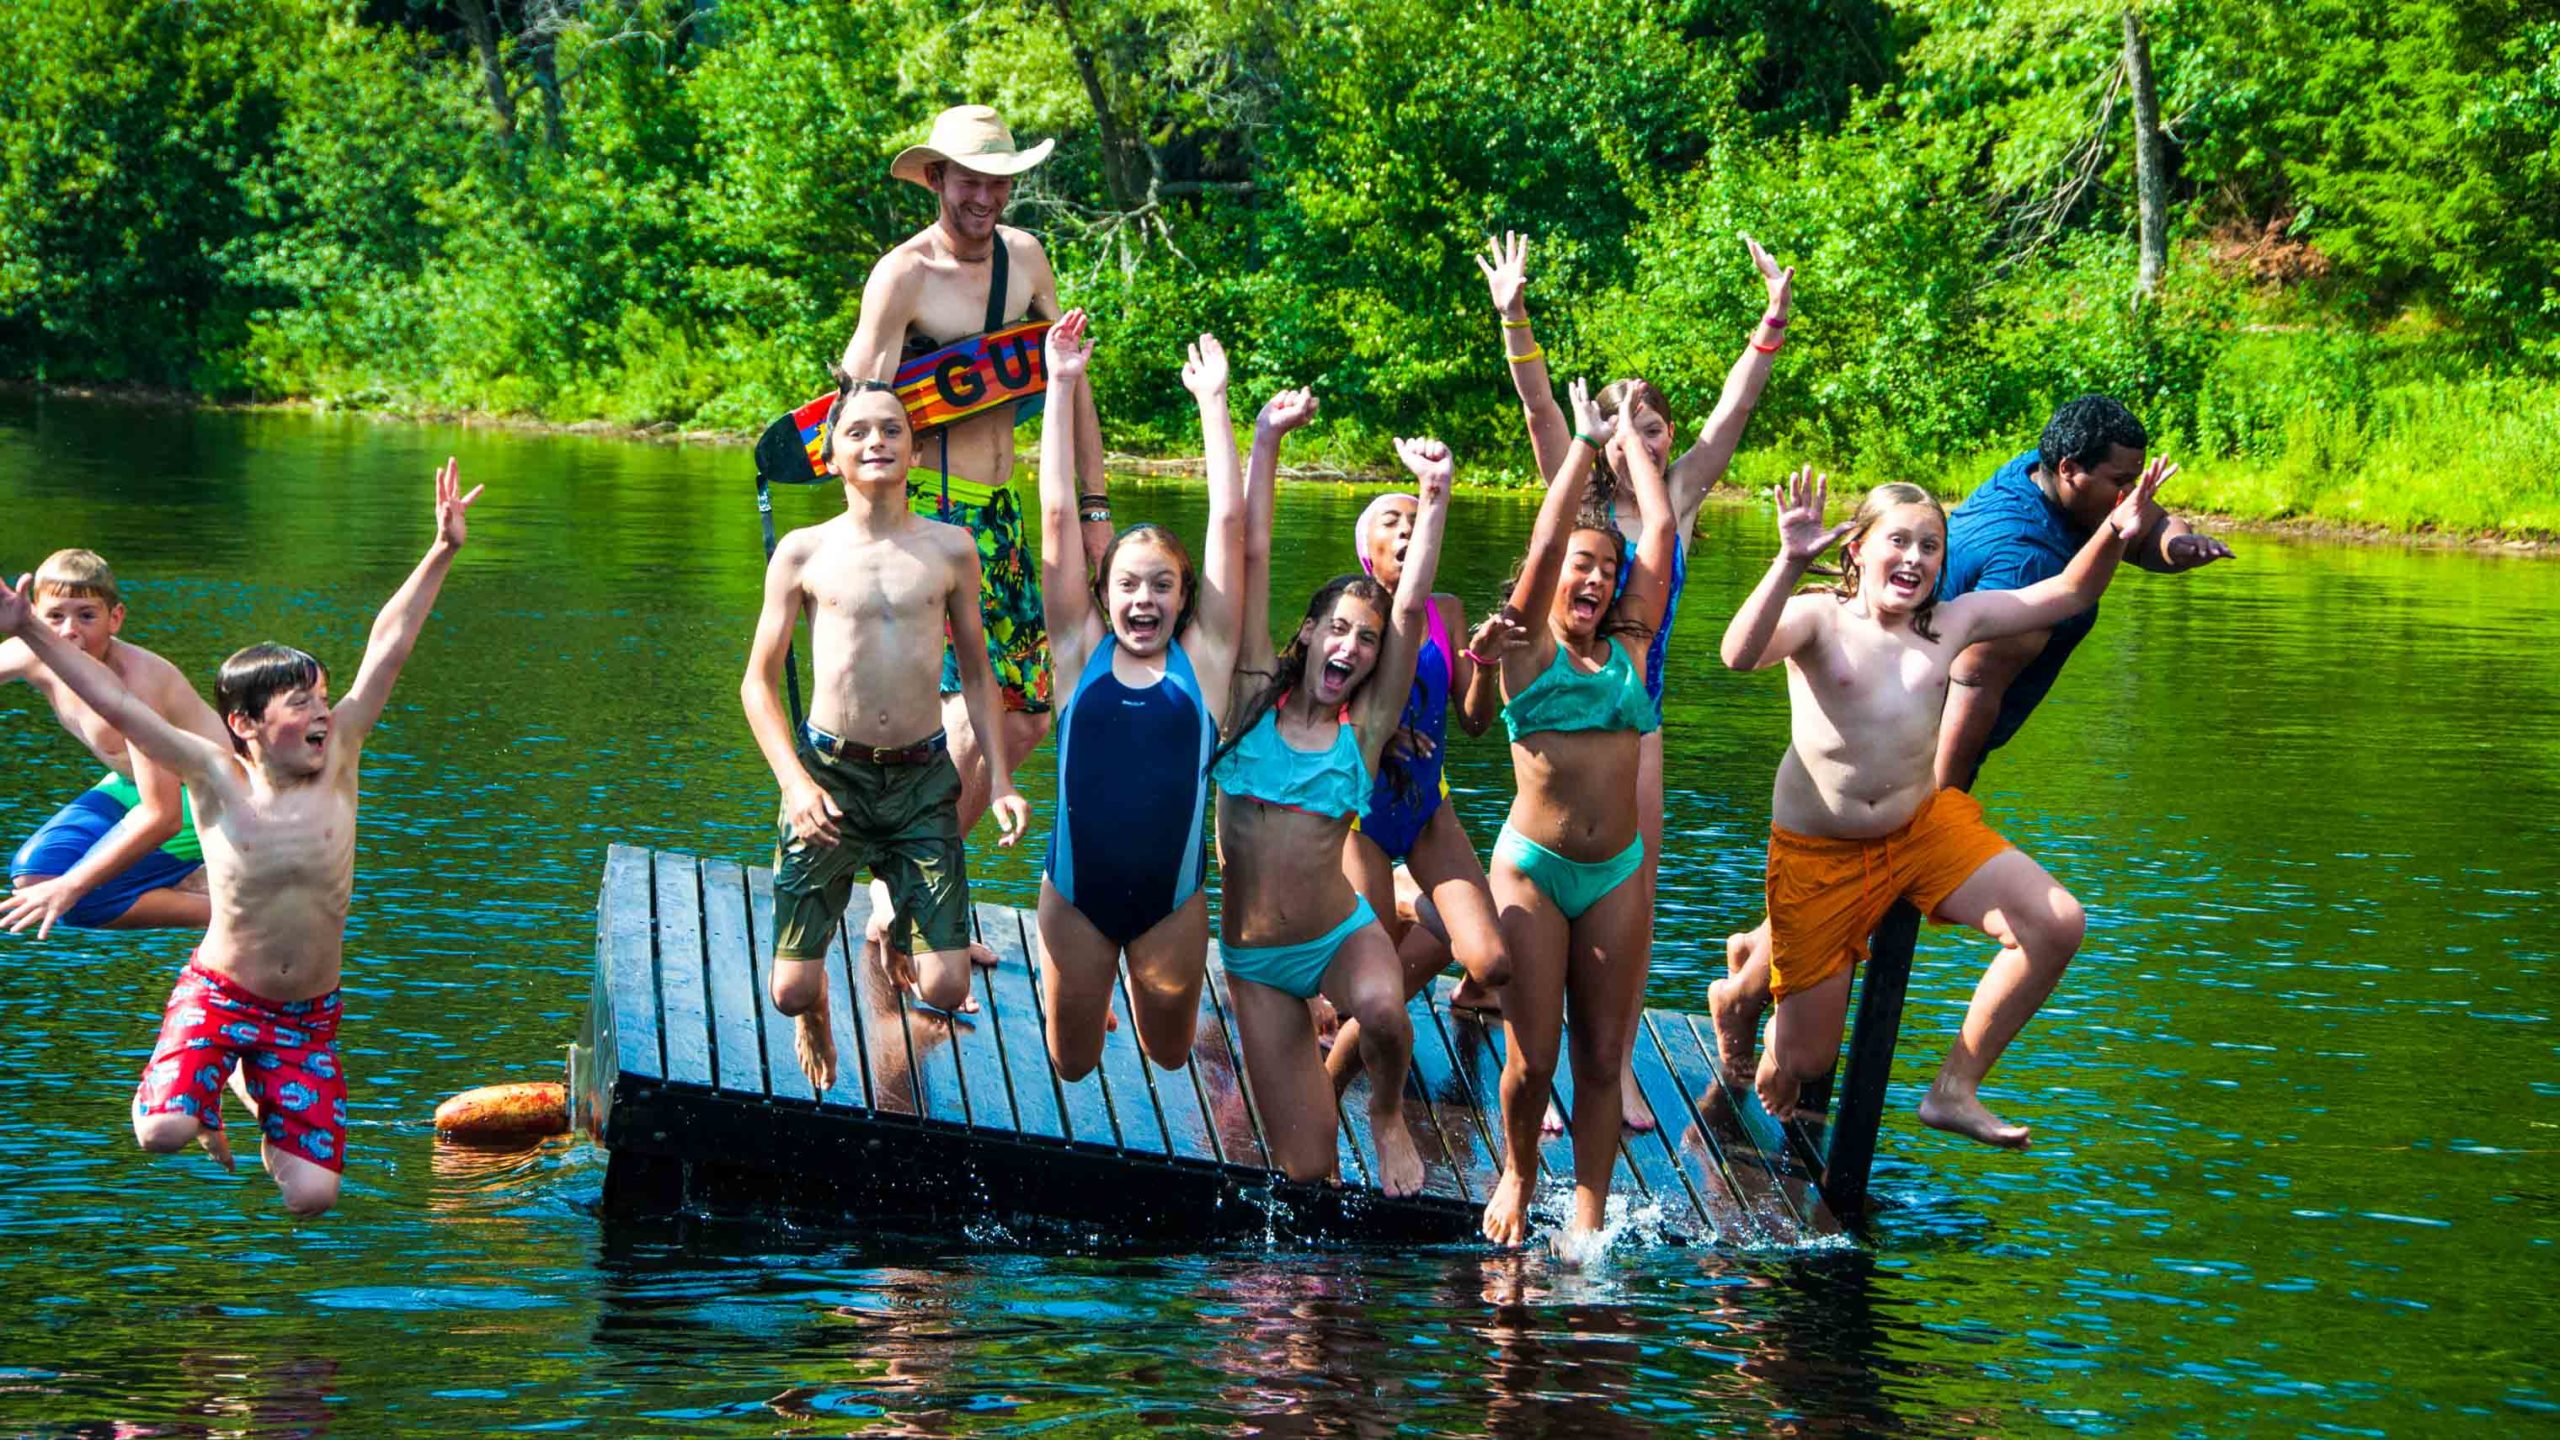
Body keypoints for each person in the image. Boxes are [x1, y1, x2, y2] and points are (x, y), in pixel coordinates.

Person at [0, 460, 485, 1216]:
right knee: (161, 1132)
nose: (325, 713)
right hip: (221, 997)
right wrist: (30, 625)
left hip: (307, 1015)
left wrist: (442, 550)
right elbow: (111, 699)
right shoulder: (211, 776)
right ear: (247, 724)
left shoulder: (342, 759)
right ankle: (196, 1074)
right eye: (303, 703)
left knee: (311, 1199)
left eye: (324, 698)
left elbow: (389, 646)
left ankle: (242, 1081)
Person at [1710, 397, 2233, 1071]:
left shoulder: (1954, 617)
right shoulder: (1822, 618)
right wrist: (1785, 562)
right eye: (1897, 542)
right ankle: (1749, 1003)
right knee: (1805, 1063)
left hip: (1912, 823)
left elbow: (2073, 592)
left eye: (1930, 546)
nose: (1915, 558)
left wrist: (2122, 529)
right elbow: (1739, 654)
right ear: (1857, 548)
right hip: (1828, 841)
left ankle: (1950, 1086)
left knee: (2054, 921)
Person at [1482, 229, 1794, 1128]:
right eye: (1626, 428)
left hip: (1637, 712)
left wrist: (1768, 323)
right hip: (1554, 708)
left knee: (1635, 887)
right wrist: (1516, 316)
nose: (1643, 440)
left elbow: (1734, 411)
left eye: (1653, 425)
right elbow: (1542, 408)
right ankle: (1532, 1056)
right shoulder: (1577, 495)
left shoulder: (1684, 496)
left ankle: (1611, 1067)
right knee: (1542, 882)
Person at [838, 105, 1110, 880]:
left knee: (1025, 710)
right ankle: (915, 902)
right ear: (936, 179)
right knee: (962, 711)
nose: (984, 197)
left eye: (998, 182)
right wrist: (871, 540)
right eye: (968, 181)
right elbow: (854, 419)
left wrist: (1095, 509)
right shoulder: (904, 275)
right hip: (924, 510)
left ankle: (920, 881)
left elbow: (1073, 385)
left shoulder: (1026, 260)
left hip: (1001, 515)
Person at [742, 379, 1031, 1093]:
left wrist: (1001, 779)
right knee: (788, 990)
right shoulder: (805, 553)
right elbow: (757, 684)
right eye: (859, 432)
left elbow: (978, 673)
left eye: (892, 431)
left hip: (921, 780)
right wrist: (796, 782)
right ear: (833, 457)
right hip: (830, 778)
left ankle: (901, 919)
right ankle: (818, 1013)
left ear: (914, 449)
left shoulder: (952, 549)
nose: (877, 442)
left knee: (942, 983)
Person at [1213, 403, 1453, 1199]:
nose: (1350, 647)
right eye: (1339, 630)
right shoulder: (1250, 701)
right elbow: (1250, 548)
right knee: (1309, 1172)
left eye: (1367, 640)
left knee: (1385, 1011)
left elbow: (1413, 610)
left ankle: (1386, 1115)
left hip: (1335, 937)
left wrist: (1436, 491)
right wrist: (1267, 441)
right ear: (1310, 633)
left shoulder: (1366, 732)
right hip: (1256, 960)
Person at [1475, 380, 1677, 1255]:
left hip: (1617, 874)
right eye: (1579, 565)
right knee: (1532, 1060)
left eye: (1605, 567)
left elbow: (1661, 535)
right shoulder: (1522, 648)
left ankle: (1588, 1207)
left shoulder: (1630, 647)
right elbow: (1545, 536)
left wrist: (1634, 442)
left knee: (1601, 1056)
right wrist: (1585, 448)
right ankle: (1519, 1171)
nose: (1592, 575)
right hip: (1533, 872)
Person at [1032, 312, 1246, 1076]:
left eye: (1162, 585)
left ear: (1187, 596)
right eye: (1127, 584)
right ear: (1103, 593)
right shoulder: (1077, 651)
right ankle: (1090, 986)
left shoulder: (1205, 660)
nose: (1144, 600)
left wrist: (1213, 405)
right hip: (1077, 901)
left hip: (1172, 906)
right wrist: (1062, 384)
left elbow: (1228, 517)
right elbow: (1058, 515)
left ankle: (1146, 1000)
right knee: (1071, 1065)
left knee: (1168, 1053)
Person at [1318, 487, 1514, 1076]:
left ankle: (1406, 903)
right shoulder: (1350, 618)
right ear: (1366, 549)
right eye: (1390, 521)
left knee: (1491, 962)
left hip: (1429, 810)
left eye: (1416, 519)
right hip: (1362, 819)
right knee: (1369, 992)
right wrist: (1379, 735)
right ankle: (1331, 1091)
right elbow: (1309, 709)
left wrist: (1484, 663)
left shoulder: (1446, 611)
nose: (1406, 529)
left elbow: (1476, 723)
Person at [3, 549, 232, 937]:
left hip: (208, 797)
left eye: (86, 615)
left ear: (116, 618)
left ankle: (246, 912)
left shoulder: (135, 684)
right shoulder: (32, 653)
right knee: (35, 879)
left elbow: (164, 816)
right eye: (55, 616)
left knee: (79, 897)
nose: (69, 630)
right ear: (34, 618)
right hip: (135, 785)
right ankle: (185, 878)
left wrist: (73, 885)